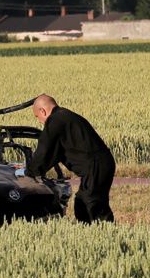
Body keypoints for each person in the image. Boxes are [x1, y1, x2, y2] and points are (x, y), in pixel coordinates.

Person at [23, 93, 116, 224]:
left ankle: (105, 231)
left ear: (42, 111)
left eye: (37, 117)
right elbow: (57, 151)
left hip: (96, 166)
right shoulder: (65, 116)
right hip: (100, 164)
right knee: (83, 203)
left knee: (91, 203)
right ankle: (91, 230)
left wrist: (30, 172)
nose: (40, 121)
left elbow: (45, 151)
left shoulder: (55, 121)